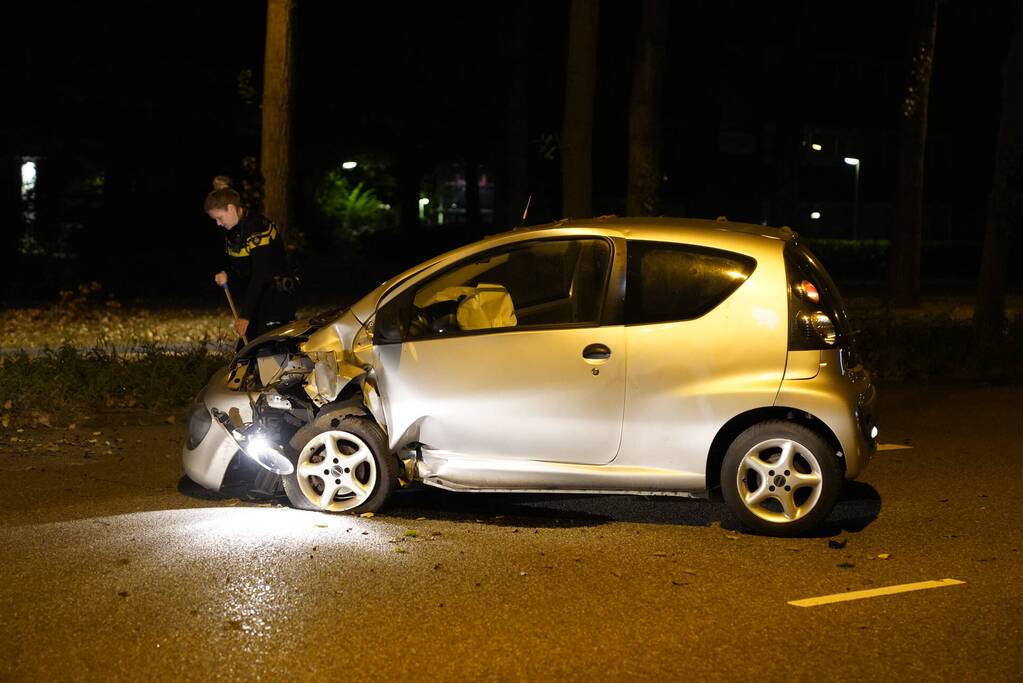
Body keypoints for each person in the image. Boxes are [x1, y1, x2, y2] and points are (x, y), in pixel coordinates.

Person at [204, 176, 297, 345]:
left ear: (231, 208)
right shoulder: (233, 231)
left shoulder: (257, 227)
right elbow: (242, 267)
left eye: (219, 218)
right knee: (244, 352)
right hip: (258, 300)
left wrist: (246, 315)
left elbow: (261, 273)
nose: (218, 224)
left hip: (276, 299)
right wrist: (228, 274)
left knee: (268, 351)